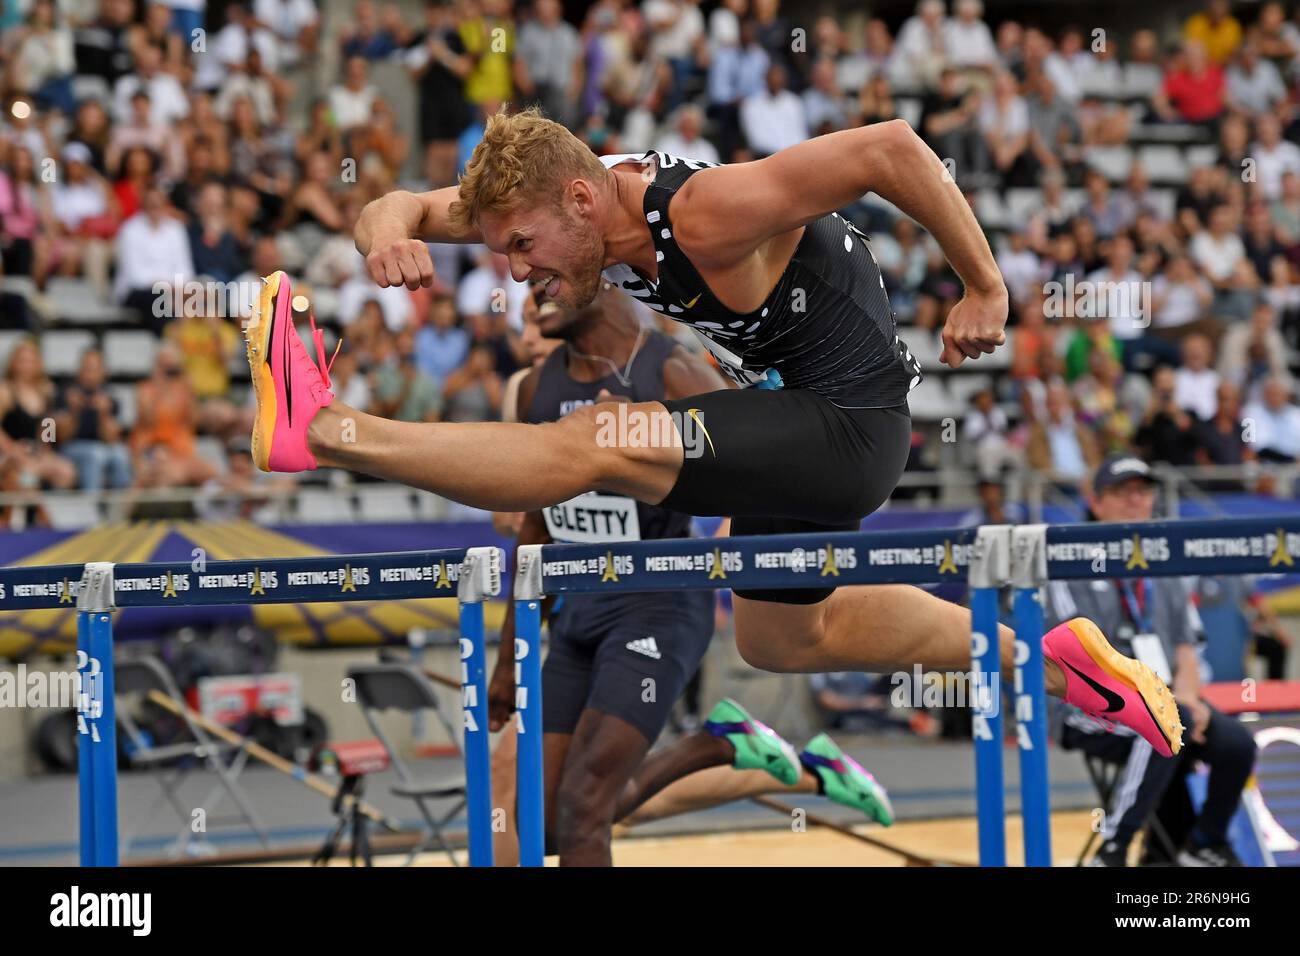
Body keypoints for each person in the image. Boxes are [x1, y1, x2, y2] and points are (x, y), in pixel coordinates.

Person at [245, 108, 1185, 763]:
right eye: (500, 252)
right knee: (782, 637)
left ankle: (324, 432)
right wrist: (384, 237)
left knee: (597, 443)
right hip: (798, 427)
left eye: (522, 248)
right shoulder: (563, 205)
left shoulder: (705, 210)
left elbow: (891, 148)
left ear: (580, 200)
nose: (517, 272)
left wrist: (984, 285)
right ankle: (1059, 660)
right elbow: (403, 203)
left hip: (851, 424)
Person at [487, 289, 890, 864]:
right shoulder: (533, 387)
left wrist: (739, 525)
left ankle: (723, 745)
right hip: (576, 613)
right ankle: (713, 744)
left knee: (584, 807)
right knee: (545, 823)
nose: (531, 299)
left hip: (657, 603)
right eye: (523, 291)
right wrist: (506, 664)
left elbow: (755, 453)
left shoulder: (670, 368)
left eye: (544, 282)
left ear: (599, 280)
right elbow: (535, 531)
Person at [1050, 454, 1256, 867]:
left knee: (1236, 742)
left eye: (1143, 491)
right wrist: (1159, 704)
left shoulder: (1164, 565)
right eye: (1122, 491)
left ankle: (1204, 843)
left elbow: (1186, 646)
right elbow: (1072, 655)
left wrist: (1188, 702)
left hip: (1165, 700)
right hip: (1086, 703)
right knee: (1163, 723)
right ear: (1096, 501)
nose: (1134, 500)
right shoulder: (1067, 563)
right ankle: (1114, 847)